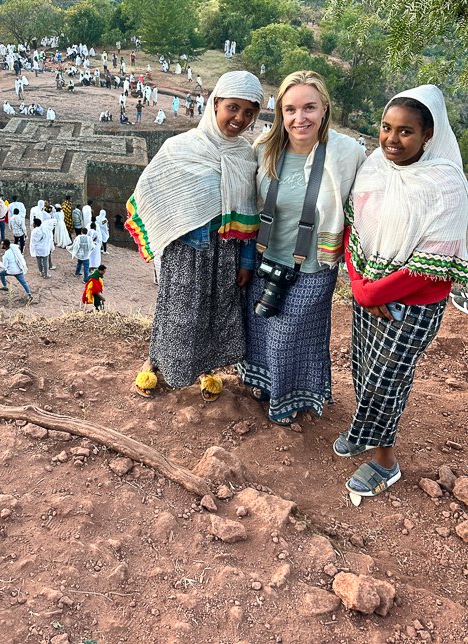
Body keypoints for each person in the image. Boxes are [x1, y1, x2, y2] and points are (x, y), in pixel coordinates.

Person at [337, 85, 468, 499]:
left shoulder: (446, 185)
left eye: (406, 131)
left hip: (411, 305)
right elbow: (354, 229)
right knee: (363, 369)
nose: (392, 139)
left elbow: (435, 265)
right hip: (369, 292)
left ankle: (385, 463)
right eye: (386, 128)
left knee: (387, 379)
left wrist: (373, 294)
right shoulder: (374, 167)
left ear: (428, 135)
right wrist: (360, 286)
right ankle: (364, 434)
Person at [236, 70, 365, 425]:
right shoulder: (265, 147)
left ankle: (288, 400)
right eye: (290, 109)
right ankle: (261, 384)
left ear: (325, 107)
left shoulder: (347, 155)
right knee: (261, 328)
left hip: (313, 266)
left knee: (290, 338)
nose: (299, 118)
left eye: (309, 107)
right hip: (266, 258)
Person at [126, 71, 263, 401]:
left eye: (248, 112)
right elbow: (150, 192)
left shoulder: (245, 156)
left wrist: (246, 261)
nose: (239, 118)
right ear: (215, 104)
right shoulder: (181, 148)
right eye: (233, 107)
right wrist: (164, 241)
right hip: (186, 252)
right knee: (176, 314)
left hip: (226, 253)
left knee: (216, 313)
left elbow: (250, 213)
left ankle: (209, 372)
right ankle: (155, 366)